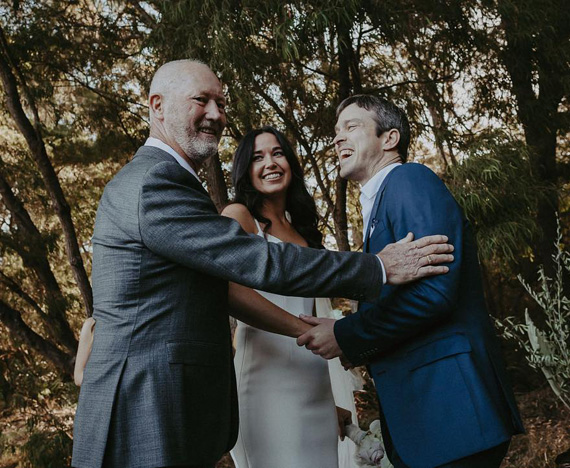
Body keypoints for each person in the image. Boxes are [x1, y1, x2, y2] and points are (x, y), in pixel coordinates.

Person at [71, 61, 453, 468]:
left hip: (175, 400)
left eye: (221, 103)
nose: (216, 114)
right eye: (201, 100)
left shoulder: (168, 181)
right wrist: (376, 268)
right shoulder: (155, 181)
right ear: (157, 106)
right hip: (145, 401)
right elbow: (256, 261)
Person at [298, 95, 525, 468]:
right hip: (427, 420)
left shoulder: (409, 180)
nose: (337, 138)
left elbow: (433, 294)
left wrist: (345, 334)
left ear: (389, 138)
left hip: (451, 410)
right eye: (336, 131)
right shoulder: (381, 202)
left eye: (351, 127)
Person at [221, 126, 360, 468]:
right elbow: (229, 291)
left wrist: (333, 398)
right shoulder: (239, 216)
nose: (270, 163)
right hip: (266, 384)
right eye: (257, 157)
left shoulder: (303, 232)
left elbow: (314, 309)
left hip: (316, 384)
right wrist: (303, 332)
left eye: (277, 153)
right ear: (245, 170)